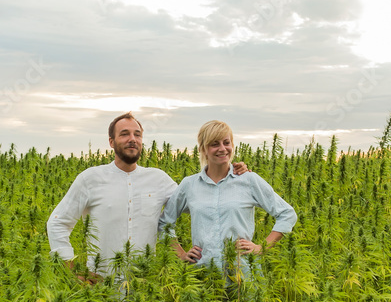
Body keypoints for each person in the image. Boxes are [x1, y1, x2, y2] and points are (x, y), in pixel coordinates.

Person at [47, 112, 248, 284]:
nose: (132, 139)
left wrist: (229, 172)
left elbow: (203, 202)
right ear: (111, 142)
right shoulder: (90, 179)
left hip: (145, 287)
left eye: (137, 134)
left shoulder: (158, 179)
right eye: (124, 134)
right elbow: (57, 223)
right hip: (100, 287)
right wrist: (72, 268)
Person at [158, 120, 296, 280]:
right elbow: (165, 222)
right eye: (214, 144)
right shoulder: (190, 185)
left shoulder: (248, 180)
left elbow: (287, 214)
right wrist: (180, 253)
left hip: (242, 275)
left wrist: (261, 247)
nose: (222, 149)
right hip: (203, 275)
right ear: (203, 149)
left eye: (226, 142)